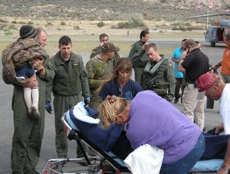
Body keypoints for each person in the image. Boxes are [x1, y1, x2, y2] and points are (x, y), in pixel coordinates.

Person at [99, 90, 205, 173]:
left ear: (120, 117)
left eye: (115, 122)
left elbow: (146, 155)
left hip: (184, 151)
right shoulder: (143, 94)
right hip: (198, 136)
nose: (116, 124)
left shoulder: (133, 133)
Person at [2, 25, 55, 174]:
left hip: (39, 102)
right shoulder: (17, 56)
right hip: (22, 104)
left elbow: (51, 75)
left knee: (36, 137)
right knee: (21, 138)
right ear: (33, 39)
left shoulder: (43, 55)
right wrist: (25, 82)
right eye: (43, 40)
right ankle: (18, 170)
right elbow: (6, 77)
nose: (45, 43)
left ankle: (30, 168)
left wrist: (41, 69)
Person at [48, 36, 90, 158]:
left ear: (71, 46)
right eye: (63, 48)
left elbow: (83, 77)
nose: (66, 51)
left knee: (80, 126)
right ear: (59, 47)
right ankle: (61, 155)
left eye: (68, 48)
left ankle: (82, 155)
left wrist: (86, 94)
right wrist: (47, 99)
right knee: (61, 128)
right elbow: (49, 82)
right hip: (60, 98)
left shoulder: (78, 58)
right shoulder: (53, 62)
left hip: (76, 97)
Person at [196, 73, 230, 174]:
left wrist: (225, 166)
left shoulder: (227, 102)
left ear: (215, 88)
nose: (208, 98)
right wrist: (223, 125)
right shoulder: (227, 90)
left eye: (207, 94)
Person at [179, 39, 209, 131]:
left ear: (188, 47)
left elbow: (181, 68)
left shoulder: (192, 56)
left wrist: (183, 57)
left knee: (188, 110)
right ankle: (200, 133)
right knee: (199, 112)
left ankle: (189, 133)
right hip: (203, 87)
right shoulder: (204, 56)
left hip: (193, 86)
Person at [86, 42, 119, 111]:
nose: (114, 54)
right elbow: (87, 81)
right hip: (96, 100)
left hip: (107, 99)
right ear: (109, 53)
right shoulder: (93, 63)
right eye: (113, 52)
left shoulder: (109, 62)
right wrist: (103, 82)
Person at [171, 39, 186, 104]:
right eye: (182, 43)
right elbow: (172, 58)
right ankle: (177, 97)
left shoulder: (187, 52)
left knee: (183, 87)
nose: (183, 45)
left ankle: (183, 100)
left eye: (184, 44)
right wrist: (177, 61)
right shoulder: (177, 50)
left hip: (184, 73)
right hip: (177, 72)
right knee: (176, 87)